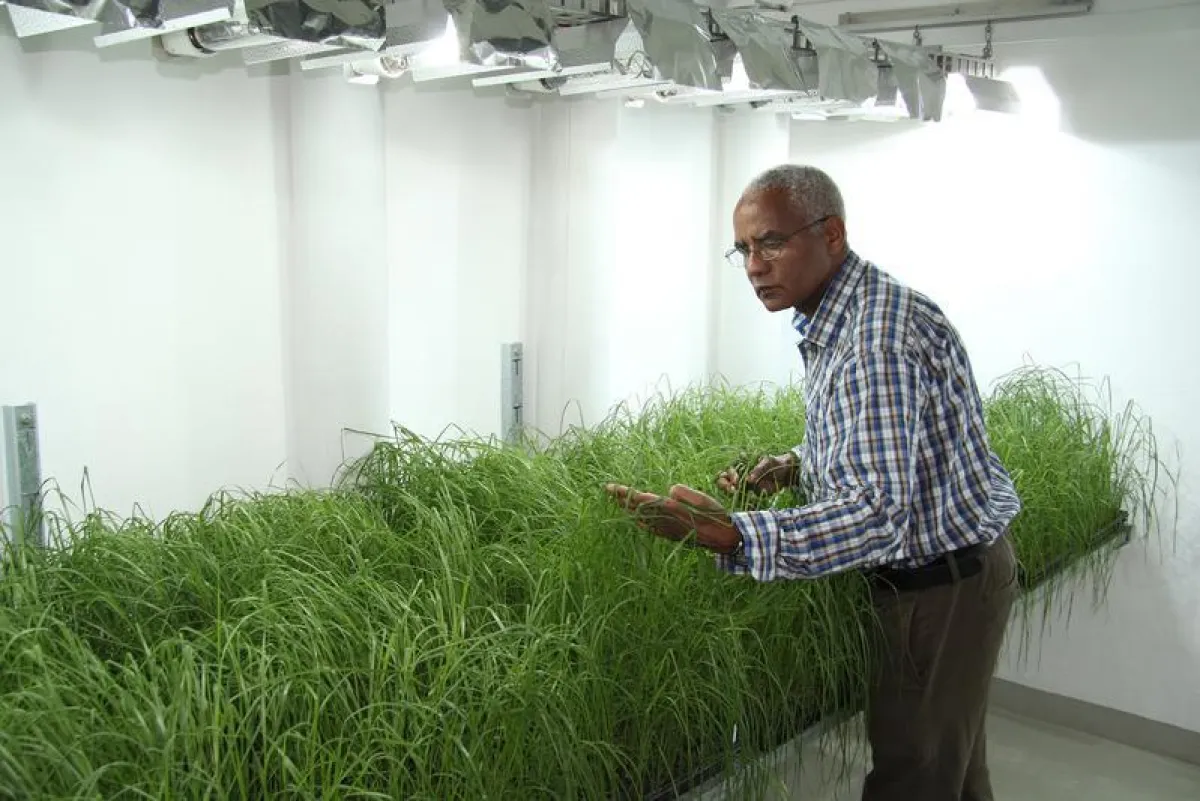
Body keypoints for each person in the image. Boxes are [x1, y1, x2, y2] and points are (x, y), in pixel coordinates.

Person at [605, 163, 1022, 801]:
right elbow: (889, 437)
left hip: (941, 593)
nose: (753, 265)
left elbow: (877, 513)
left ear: (831, 235)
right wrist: (799, 460)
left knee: (913, 777)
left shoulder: (872, 341)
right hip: (958, 578)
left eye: (771, 242)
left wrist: (734, 535)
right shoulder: (856, 312)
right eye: (743, 249)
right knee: (953, 771)